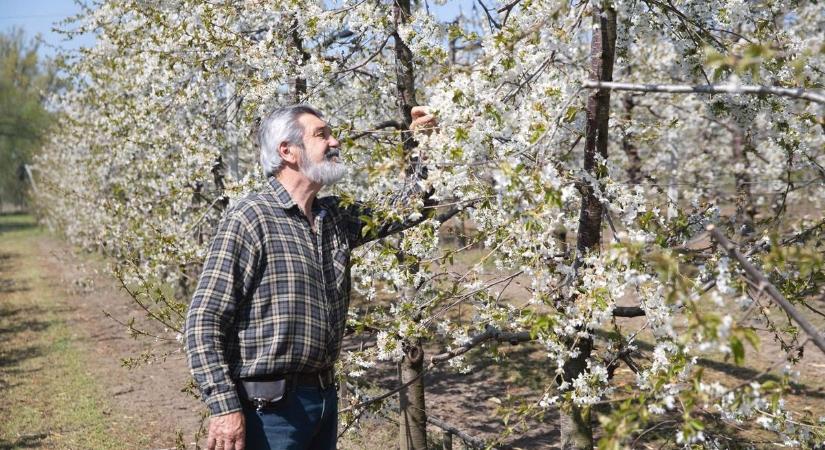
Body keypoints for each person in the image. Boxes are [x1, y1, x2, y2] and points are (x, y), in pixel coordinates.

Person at [185, 104, 436, 450]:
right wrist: (224, 407)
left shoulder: (334, 216)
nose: (335, 142)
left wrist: (424, 145)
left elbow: (406, 208)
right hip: (268, 411)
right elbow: (204, 320)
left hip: (321, 401)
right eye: (321, 134)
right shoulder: (250, 218)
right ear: (287, 151)